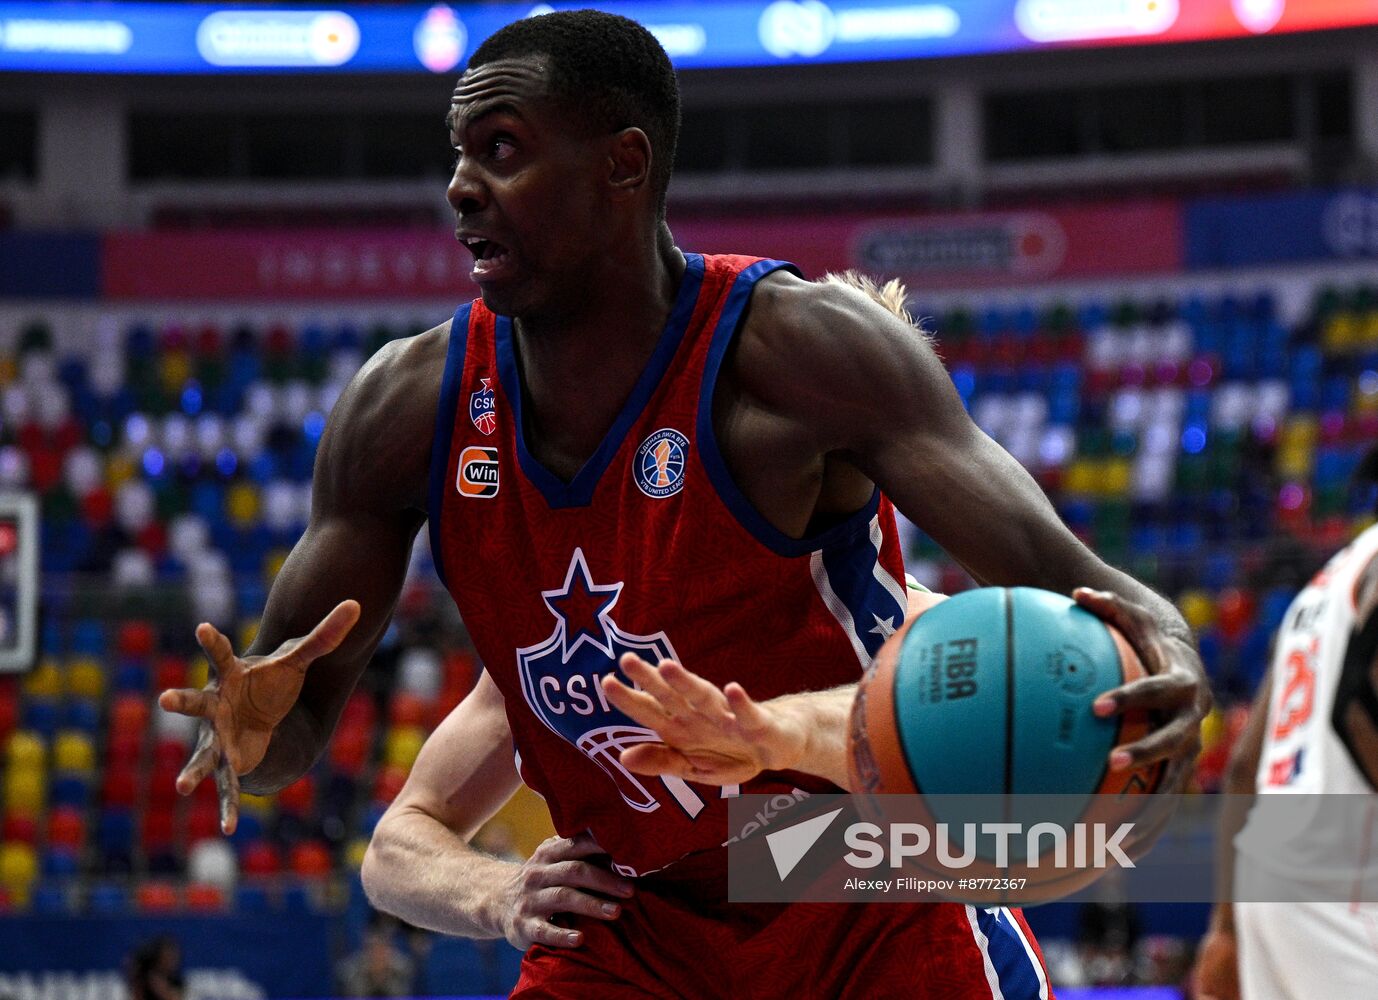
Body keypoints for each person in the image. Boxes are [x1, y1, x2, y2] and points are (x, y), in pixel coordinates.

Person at [159, 11, 1209, 997]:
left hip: (840, 864)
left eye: (503, 149)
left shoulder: (798, 352)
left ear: (625, 164)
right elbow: (298, 751)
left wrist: (1166, 647)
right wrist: (256, 741)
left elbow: (1076, 580)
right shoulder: (404, 408)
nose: (461, 188)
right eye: (457, 154)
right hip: (631, 903)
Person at [1193, 494, 1378, 1000]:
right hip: (1347, 879)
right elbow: (1362, 706)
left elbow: (1243, 765)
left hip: (1267, 883)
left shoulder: (1325, 583)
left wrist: (1226, 929)